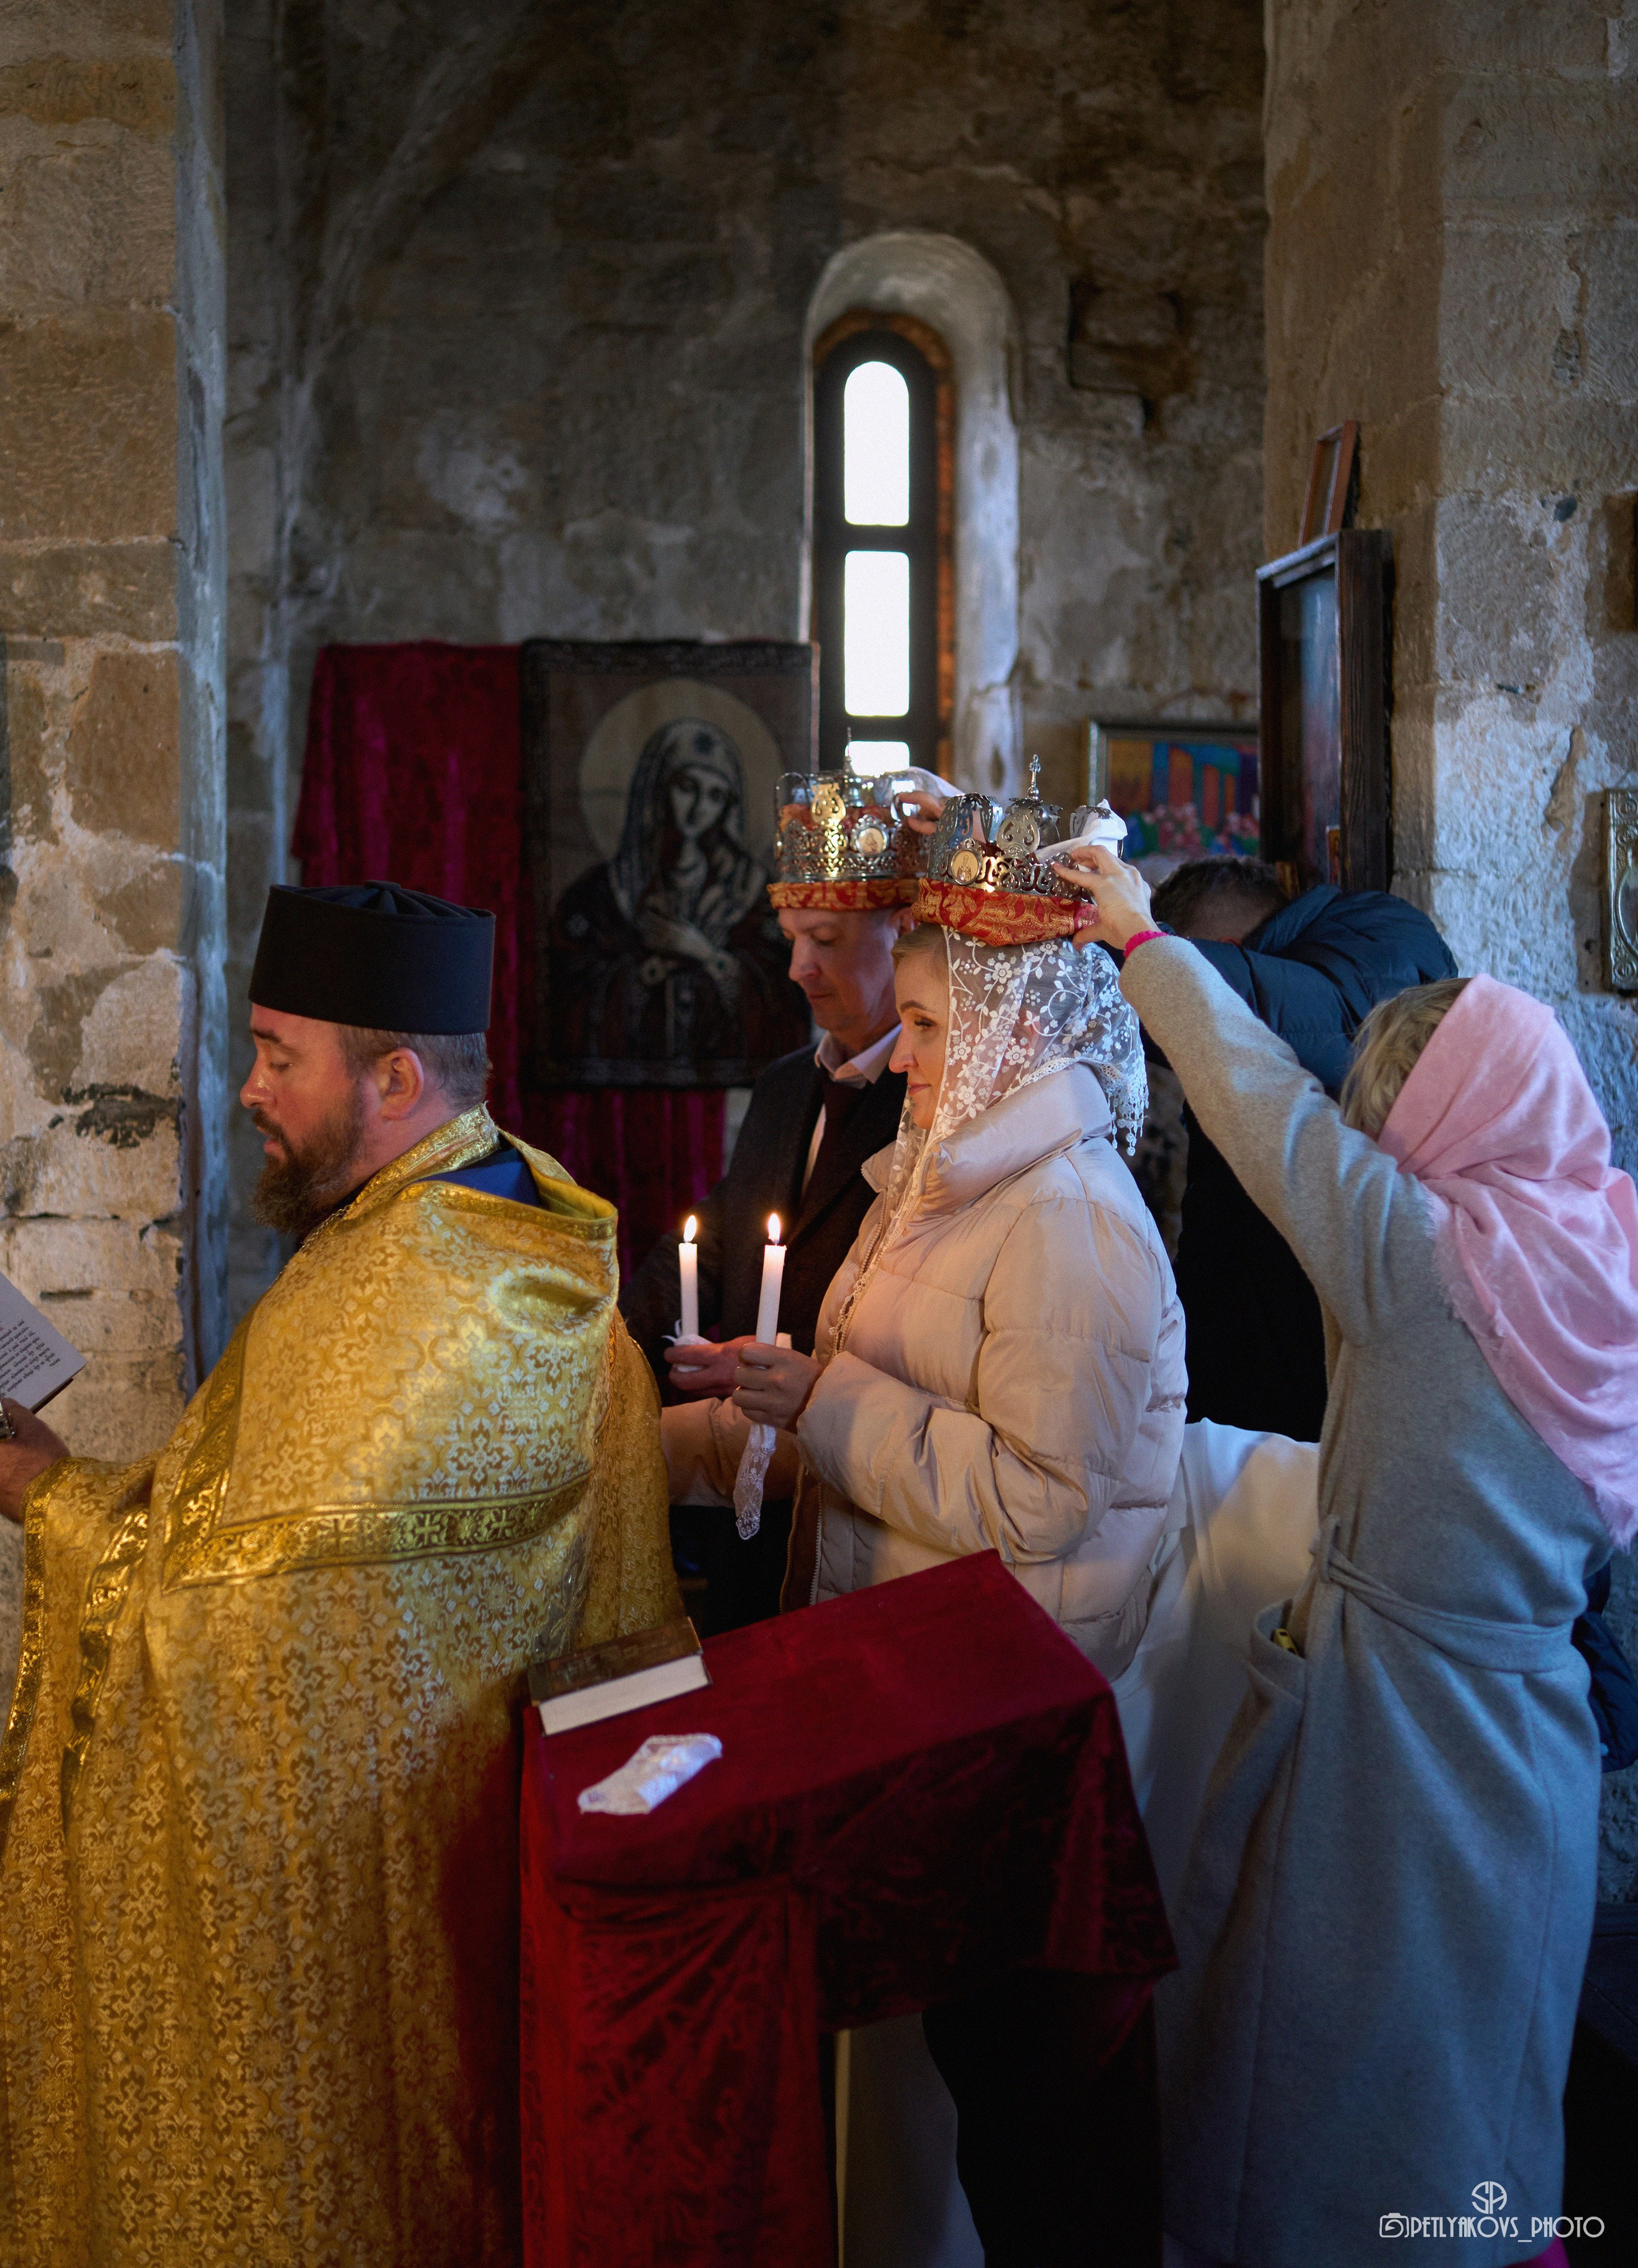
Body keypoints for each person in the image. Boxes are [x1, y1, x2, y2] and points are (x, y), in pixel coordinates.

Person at [0, 879, 678, 2268]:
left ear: (395, 1080)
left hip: (365, 1915)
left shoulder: (420, 1284)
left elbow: (237, 1616)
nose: (250, 1090)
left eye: (277, 1055)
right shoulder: (488, 1216)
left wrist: (47, 1500)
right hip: (445, 1870)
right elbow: (268, 1517)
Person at [1056, 842, 1638, 2268]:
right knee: (1487, 2080)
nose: (1376, 1145)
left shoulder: (1422, 1258)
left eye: (1389, 1115)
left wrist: (1136, 938)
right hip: (1539, 1737)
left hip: (1395, 1739)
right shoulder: (1604, 1250)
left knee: (1325, 2092)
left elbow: (1251, 1090)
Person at [733, 859, 1187, 2268]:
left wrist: (825, 1404)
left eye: (930, 1025)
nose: (903, 1053)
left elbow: (1043, 1502)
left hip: (1018, 1721)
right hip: (940, 1693)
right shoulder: (948, 1176)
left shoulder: (1068, 1219)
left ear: (1014, 1029)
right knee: (976, 2085)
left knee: (1036, 2125)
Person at [620, 767, 941, 1629]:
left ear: (902, 932)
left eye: (826, 940)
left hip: (856, 1506)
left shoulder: (935, 1103)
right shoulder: (785, 1086)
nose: (799, 968)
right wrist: (606, 1350)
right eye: (792, 938)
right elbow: (721, 1240)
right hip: (745, 1507)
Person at [1149, 855, 1457, 1441]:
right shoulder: (1352, 948)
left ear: (1224, 953)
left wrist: (1122, 942)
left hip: (1306, 1365)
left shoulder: (1365, 953)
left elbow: (1243, 1004)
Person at [550, 715, 806, 1080]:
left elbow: (782, 995)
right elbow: (569, 995)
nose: (699, 808)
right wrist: (647, 972)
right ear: (657, 787)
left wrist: (705, 955)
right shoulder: (602, 892)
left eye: (715, 796)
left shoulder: (754, 892)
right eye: (687, 788)